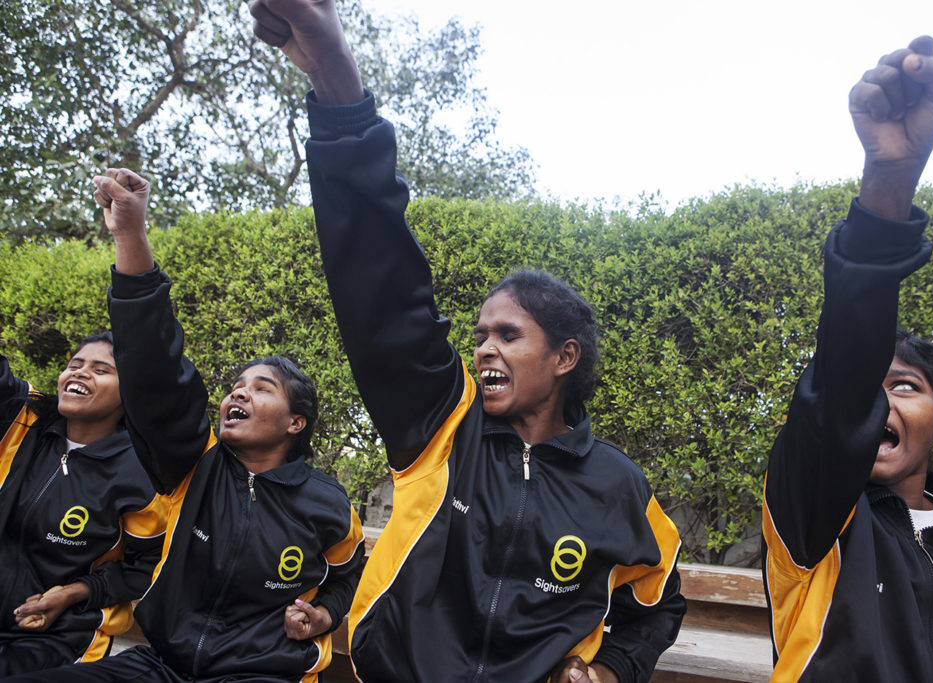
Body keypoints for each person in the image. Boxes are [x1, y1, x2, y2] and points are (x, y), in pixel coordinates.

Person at [250, 3, 686, 682]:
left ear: (564, 357)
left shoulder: (619, 485)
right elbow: (380, 281)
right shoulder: (441, 424)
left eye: (509, 335)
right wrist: (338, 87)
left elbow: (658, 603)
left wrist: (613, 669)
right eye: (480, 334)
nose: (484, 349)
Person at [4, 168, 366, 683]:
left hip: (260, 675)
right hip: (159, 665)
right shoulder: (190, 466)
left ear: (296, 422)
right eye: (237, 385)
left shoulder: (330, 505)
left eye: (262, 388)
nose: (239, 391)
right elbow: (156, 371)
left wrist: (324, 615)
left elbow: (349, 575)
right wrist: (131, 236)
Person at [761, 36, 933, 682]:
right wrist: (888, 182)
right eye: (870, 389)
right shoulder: (814, 517)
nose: (879, 400)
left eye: (904, 385)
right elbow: (843, 377)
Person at [0, 331, 166, 674]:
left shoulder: (142, 475)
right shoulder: (22, 419)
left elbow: (146, 566)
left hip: (58, 638)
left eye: (101, 370)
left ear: (130, 393)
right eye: (75, 364)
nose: (79, 372)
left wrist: (73, 593)